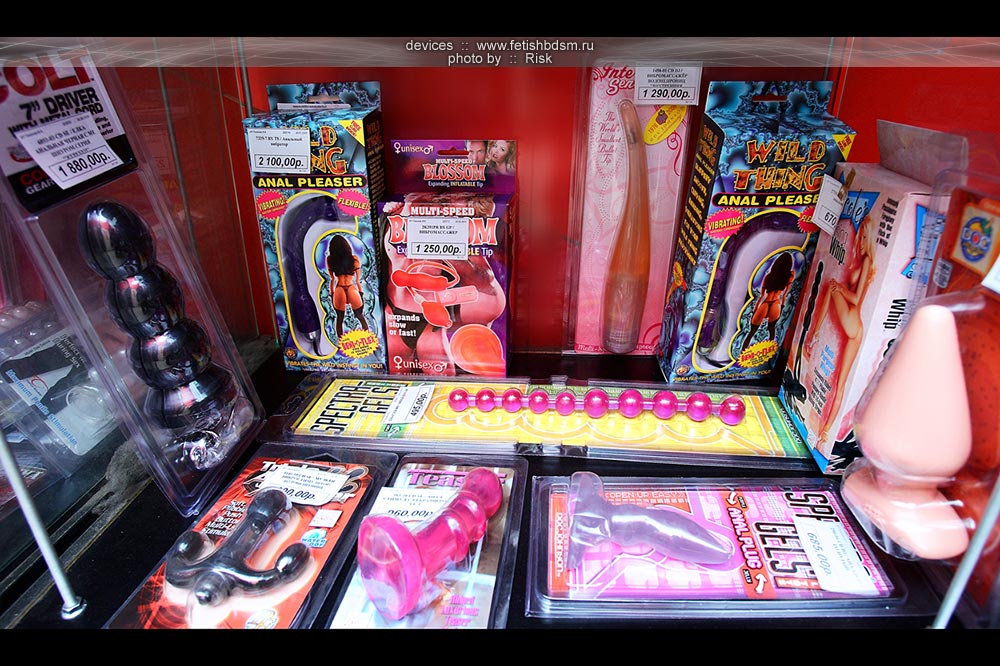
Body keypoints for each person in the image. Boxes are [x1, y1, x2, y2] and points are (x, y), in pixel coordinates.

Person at [804, 215, 877, 440]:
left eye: (864, 236)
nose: (861, 240)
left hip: (853, 320)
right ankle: (825, 433)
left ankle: (814, 335)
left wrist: (841, 289)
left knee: (830, 287)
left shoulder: (867, 260)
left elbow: (855, 299)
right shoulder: (859, 260)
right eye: (860, 235)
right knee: (839, 383)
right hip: (854, 327)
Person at [740, 251, 795, 354]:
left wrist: (755, 309)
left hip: (766, 303)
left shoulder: (769, 276)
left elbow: (762, 296)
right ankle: (769, 353)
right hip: (776, 304)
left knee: (752, 331)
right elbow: (785, 294)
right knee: (771, 329)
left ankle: (742, 353)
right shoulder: (788, 276)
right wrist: (782, 307)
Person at [326, 234, 369, 338]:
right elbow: (358, 280)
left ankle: (341, 343)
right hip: (351, 287)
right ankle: (368, 338)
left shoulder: (330, 259)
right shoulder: (354, 259)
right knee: (359, 316)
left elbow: (332, 279)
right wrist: (361, 293)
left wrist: (332, 294)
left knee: (340, 318)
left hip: (339, 288)